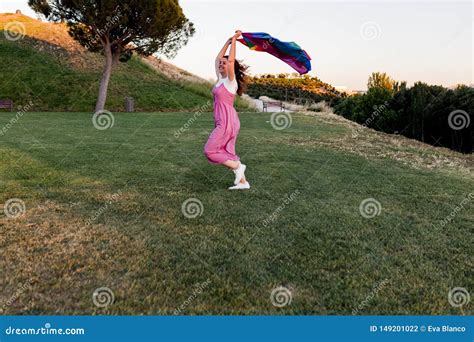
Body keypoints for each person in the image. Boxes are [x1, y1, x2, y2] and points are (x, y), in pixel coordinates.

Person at [204, 30, 250, 190]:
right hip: (223, 120)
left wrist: (235, 40)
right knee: (224, 151)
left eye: (225, 63)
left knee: (210, 151)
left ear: (231, 68)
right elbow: (218, 58)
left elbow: (230, 62)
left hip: (227, 121)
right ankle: (243, 183)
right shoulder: (220, 80)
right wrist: (227, 42)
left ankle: (238, 167)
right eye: (221, 64)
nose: (221, 64)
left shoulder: (231, 82)